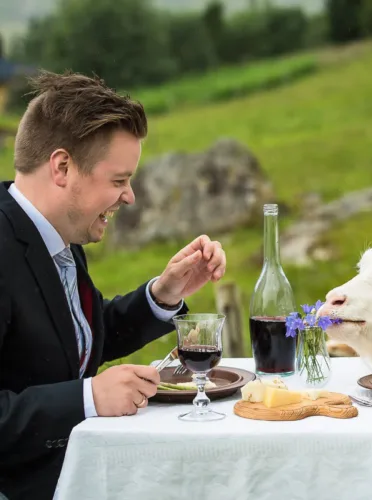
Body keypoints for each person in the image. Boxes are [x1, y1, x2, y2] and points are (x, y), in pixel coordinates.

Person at [0, 71, 227, 500]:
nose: (130, 197)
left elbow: (69, 340)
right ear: (63, 167)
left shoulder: (57, 235)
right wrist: (88, 398)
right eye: (119, 180)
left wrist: (164, 294)